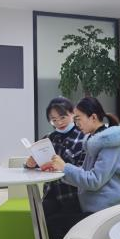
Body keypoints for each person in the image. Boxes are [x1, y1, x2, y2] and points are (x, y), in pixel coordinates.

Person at [42, 96, 120, 239]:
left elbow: (94, 180)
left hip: (106, 208)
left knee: (54, 224)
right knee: (50, 215)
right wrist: (60, 169)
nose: (77, 123)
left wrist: (65, 168)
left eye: (78, 119)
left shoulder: (109, 145)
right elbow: (85, 175)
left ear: (93, 117)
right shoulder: (94, 140)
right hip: (93, 204)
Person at [24, 97, 86, 227]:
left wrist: (62, 165)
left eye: (63, 117)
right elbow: (36, 166)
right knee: (39, 218)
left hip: (73, 196)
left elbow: (84, 171)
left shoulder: (83, 137)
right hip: (50, 194)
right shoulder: (48, 138)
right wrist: (29, 164)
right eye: (54, 120)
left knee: (54, 224)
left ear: (72, 113)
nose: (59, 123)